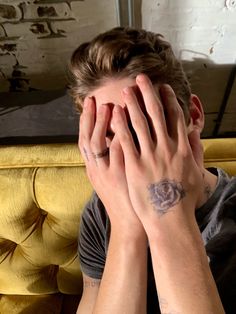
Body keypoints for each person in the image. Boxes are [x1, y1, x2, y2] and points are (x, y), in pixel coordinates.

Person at [69, 27, 236, 314]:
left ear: (193, 116)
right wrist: (126, 228)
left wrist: (169, 216)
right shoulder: (100, 213)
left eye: (144, 131)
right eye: (109, 141)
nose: (131, 158)